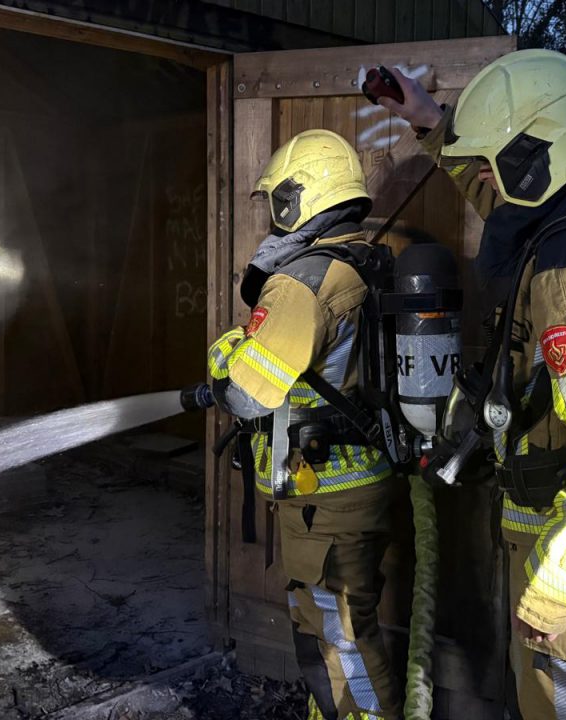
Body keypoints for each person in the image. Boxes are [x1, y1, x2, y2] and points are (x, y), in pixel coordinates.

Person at [380, 49, 566, 719]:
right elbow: (497, 191)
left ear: (541, 154)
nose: (482, 177)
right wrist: (427, 119)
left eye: (494, 159)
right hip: (564, 540)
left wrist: (556, 588)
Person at [207, 129, 401, 720]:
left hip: (327, 497)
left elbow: (244, 394)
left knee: (338, 636)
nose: (273, 214)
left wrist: (225, 350)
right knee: (339, 628)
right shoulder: (363, 261)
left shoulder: (303, 281)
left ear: (299, 198)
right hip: (358, 484)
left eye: (277, 200)